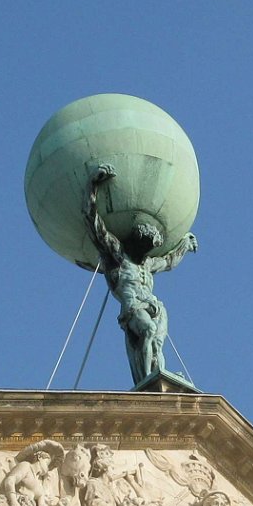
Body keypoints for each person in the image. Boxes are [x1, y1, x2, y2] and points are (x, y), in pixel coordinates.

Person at [83, 165, 197, 386]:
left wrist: (184, 245)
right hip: (133, 306)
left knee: (156, 344)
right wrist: (92, 185)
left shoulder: (147, 263)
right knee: (148, 331)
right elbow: (92, 221)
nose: (145, 253)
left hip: (155, 307)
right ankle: (146, 380)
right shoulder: (118, 256)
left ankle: (157, 376)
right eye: (143, 246)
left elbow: (169, 261)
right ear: (135, 242)